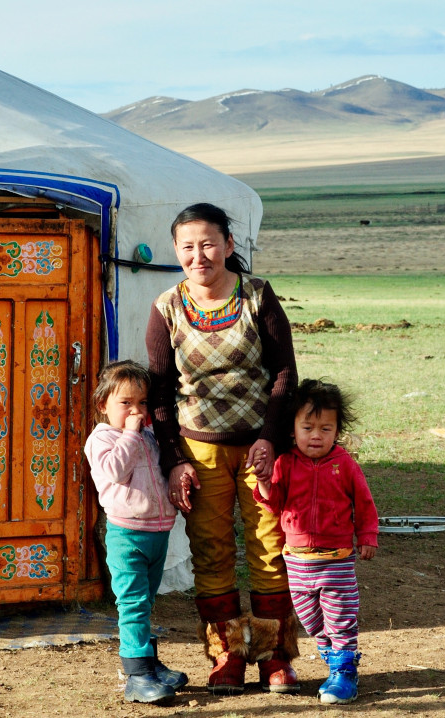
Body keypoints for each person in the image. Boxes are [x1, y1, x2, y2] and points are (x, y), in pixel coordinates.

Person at [146, 203, 300, 694]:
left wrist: (271, 438)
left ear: (229, 246)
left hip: (260, 448)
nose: (199, 255)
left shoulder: (257, 297)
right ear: (176, 251)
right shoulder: (166, 307)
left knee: (271, 550)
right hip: (199, 450)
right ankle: (226, 657)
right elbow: (159, 393)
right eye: (187, 246)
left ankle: (275, 659)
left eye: (208, 243)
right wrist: (174, 460)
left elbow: (284, 373)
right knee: (211, 553)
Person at [253, 378, 379, 705]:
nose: (316, 435)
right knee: (310, 620)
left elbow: (364, 504)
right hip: (297, 559)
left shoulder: (345, 465)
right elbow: (274, 502)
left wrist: (367, 536)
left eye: (326, 428)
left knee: (340, 616)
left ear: (337, 431)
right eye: (308, 427)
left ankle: (344, 669)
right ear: (292, 429)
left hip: (336, 558)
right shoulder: (286, 463)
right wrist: (265, 483)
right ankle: (333, 656)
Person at [84, 360, 189, 704]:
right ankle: (136, 674)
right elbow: (115, 470)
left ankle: (149, 662)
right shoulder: (102, 439)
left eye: (142, 403)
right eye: (125, 403)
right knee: (132, 604)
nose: (136, 411)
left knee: (145, 601)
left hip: (157, 533)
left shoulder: (148, 436)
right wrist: (129, 432)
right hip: (126, 535)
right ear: (103, 405)